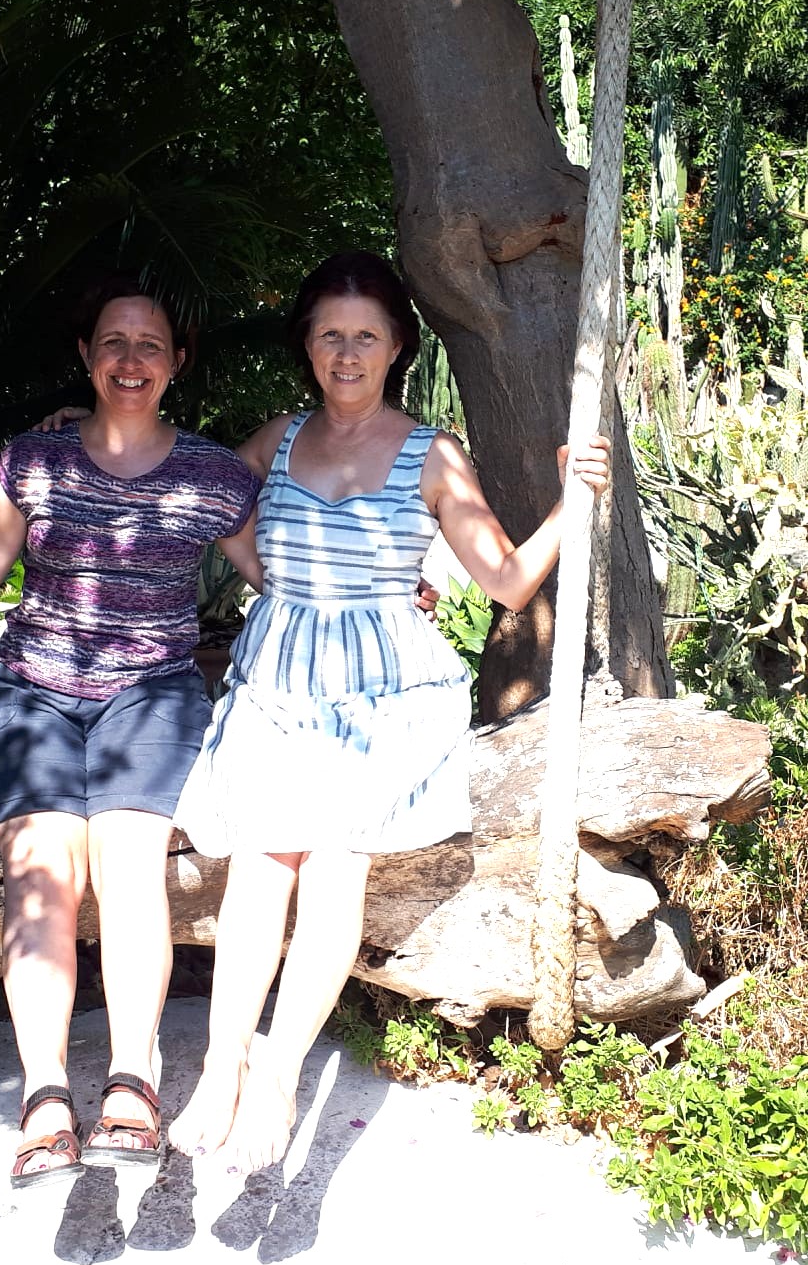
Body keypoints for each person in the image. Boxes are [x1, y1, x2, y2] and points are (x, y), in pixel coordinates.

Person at [157, 251, 610, 1177]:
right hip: (279, 680)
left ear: (397, 345)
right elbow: (200, 493)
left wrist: (577, 502)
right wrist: (268, 576)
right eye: (330, 334)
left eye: (366, 335)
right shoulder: (279, 439)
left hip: (384, 697)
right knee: (261, 867)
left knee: (332, 868)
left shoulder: (431, 454)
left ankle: (278, 1075)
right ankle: (221, 1065)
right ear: (307, 344)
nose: (347, 353)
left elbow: (508, 580)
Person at [0, 276, 262, 1192]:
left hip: (152, 697)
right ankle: (46, 1102)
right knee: (39, 877)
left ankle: (133, 1088)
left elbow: (284, 576)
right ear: (85, 355)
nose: (131, 360)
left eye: (150, 345)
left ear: (177, 362)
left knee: (128, 863)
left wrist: (397, 594)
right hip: (32, 698)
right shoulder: (34, 462)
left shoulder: (214, 475)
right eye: (113, 342)